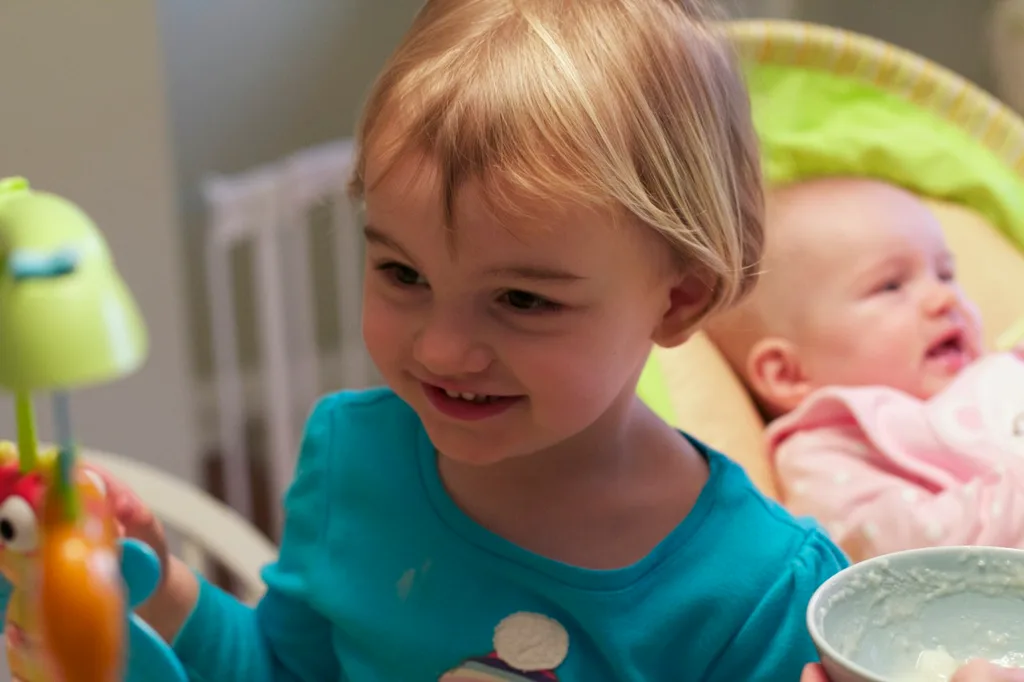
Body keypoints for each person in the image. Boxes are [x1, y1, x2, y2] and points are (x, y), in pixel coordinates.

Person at [706, 176, 1024, 564]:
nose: (944, 298)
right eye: (890, 287)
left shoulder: (999, 371)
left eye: (944, 274)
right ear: (787, 374)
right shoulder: (826, 449)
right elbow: (905, 561)